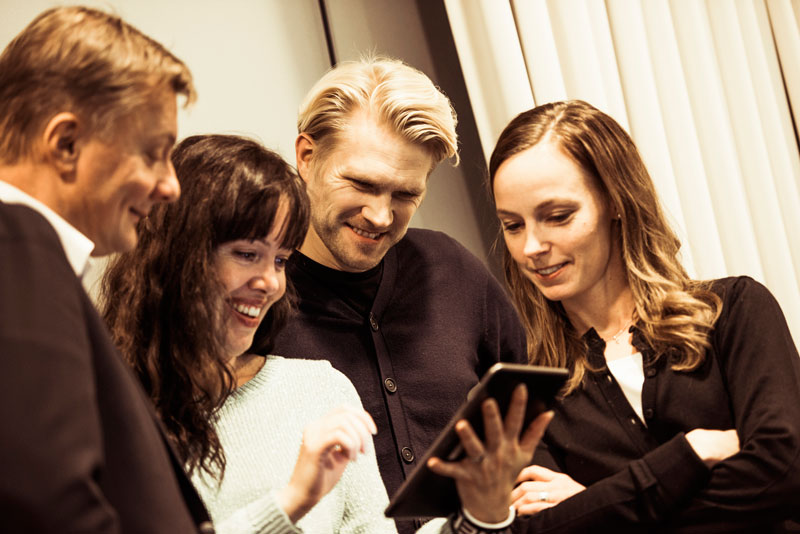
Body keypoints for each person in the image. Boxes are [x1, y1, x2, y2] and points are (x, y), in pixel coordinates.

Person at [101, 133, 552, 534]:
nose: (270, 282)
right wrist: (292, 502)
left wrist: (479, 516)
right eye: (246, 254)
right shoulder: (111, 413)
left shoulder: (319, 388)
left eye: (280, 260)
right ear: (177, 255)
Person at [487, 99, 800, 532]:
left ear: (616, 201)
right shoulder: (527, 390)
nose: (531, 247)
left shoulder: (733, 311)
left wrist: (593, 504)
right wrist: (692, 453)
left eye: (557, 217)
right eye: (513, 225)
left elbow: (785, 473)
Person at [268, 57, 529, 532]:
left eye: (406, 194)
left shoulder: (452, 269)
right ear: (306, 156)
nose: (381, 216)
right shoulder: (255, 299)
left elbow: (530, 407)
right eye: (362, 184)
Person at [0, 6, 213, 533]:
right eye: (154, 154)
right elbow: (45, 503)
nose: (171, 185)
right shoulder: (16, 242)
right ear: (66, 144)